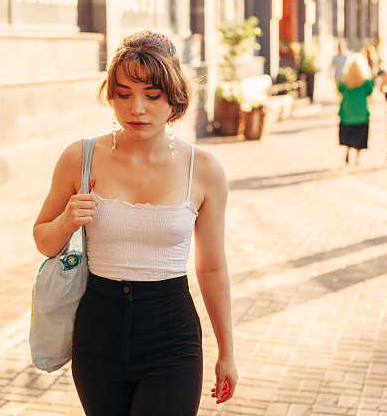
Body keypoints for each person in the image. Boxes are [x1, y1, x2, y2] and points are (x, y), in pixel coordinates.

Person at [33, 30, 237, 415]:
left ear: (174, 98)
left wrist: (227, 352)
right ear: (110, 96)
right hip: (97, 334)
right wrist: (67, 221)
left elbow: (212, 266)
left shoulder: (204, 169)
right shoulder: (79, 157)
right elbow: (43, 241)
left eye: (152, 95)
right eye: (123, 94)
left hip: (171, 336)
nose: (136, 109)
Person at [337, 54, 375, 165]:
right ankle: (357, 158)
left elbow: (340, 90)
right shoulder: (366, 81)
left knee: (348, 132)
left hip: (347, 111)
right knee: (360, 135)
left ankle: (348, 149)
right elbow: (370, 92)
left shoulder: (344, 80)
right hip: (361, 112)